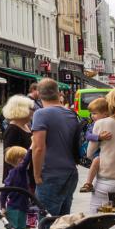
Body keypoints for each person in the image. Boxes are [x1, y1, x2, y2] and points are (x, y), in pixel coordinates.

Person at [31, 77, 85, 218]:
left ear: (39, 93)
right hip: (70, 173)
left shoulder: (41, 114)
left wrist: (36, 175)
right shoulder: (71, 114)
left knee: (47, 221)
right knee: (62, 220)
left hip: (50, 173)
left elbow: (38, 147)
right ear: (58, 92)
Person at [1, 146, 36, 229]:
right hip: (17, 209)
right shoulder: (19, 171)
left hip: (13, 208)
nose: (27, 161)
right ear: (19, 160)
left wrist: (2, 206)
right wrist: (32, 147)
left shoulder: (12, 173)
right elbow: (26, 161)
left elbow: (4, 191)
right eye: (23, 158)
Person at [78, 97, 111, 193]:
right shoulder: (93, 124)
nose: (92, 116)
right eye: (92, 113)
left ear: (105, 113)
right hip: (98, 150)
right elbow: (88, 136)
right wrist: (99, 137)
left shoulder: (111, 122)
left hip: (109, 149)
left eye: (95, 113)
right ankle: (88, 183)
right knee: (96, 160)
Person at [1, 95, 36, 181]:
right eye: (31, 108)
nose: (33, 111)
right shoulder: (13, 129)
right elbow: (10, 158)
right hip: (19, 178)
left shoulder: (25, 126)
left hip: (27, 175)